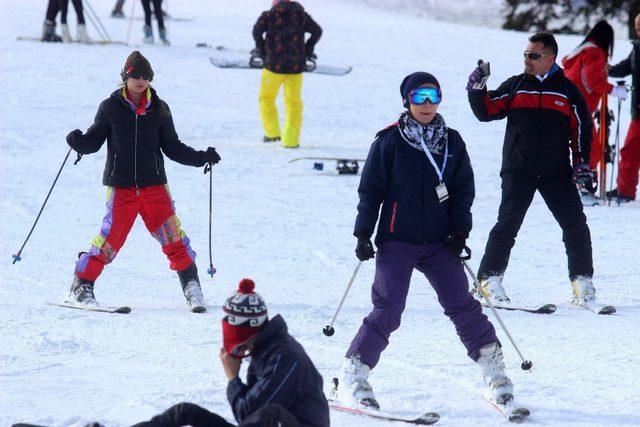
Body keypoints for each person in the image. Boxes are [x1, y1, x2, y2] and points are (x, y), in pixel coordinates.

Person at [336, 71, 514, 410]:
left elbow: (463, 191)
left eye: (433, 95)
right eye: (419, 97)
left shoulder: (453, 141)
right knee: (389, 307)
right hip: (397, 239)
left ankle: (495, 373)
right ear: (407, 101)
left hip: (439, 242)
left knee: (462, 304)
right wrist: (363, 232)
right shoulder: (388, 141)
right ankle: (354, 374)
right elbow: (370, 191)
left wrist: (460, 229)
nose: (427, 104)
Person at [65, 51, 221, 312]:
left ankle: (192, 284)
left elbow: (172, 146)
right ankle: (81, 285)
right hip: (122, 187)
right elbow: (94, 139)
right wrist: (79, 143)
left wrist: (200, 157)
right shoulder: (110, 107)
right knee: (109, 239)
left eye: (146, 76)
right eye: (135, 75)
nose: (140, 80)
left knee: (173, 238)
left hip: (154, 186)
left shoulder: (159, 109)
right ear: (125, 76)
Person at [467, 32, 599, 307]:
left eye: (533, 56)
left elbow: (582, 129)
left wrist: (582, 163)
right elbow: (487, 110)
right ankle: (488, 280)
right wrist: (477, 88)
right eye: (525, 54)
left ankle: (582, 282)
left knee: (575, 224)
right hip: (519, 167)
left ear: (549, 58)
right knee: (508, 225)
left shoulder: (566, 90)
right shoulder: (516, 86)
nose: (527, 60)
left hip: (556, 171)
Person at [132, 279, 330, 427]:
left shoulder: (285, 357)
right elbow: (249, 412)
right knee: (185, 412)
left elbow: (248, 414)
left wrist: (233, 378)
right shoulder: (263, 349)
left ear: (250, 332)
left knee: (271, 413)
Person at [562, 20, 628, 205]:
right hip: (580, 109)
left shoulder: (581, 50)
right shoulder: (596, 52)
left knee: (578, 148)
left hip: (566, 105)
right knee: (592, 149)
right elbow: (592, 81)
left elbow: (570, 68)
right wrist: (614, 90)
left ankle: (577, 189)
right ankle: (584, 191)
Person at [252, 0, 322, 148]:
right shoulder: (301, 15)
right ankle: (291, 141)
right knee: (293, 103)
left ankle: (272, 134)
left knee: (266, 98)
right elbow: (317, 31)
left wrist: (262, 50)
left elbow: (256, 31)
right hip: (296, 67)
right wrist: (307, 50)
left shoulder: (269, 15)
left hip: (273, 66)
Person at [606, 13, 640, 203]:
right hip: (638, 112)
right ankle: (625, 190)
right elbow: (628, 66)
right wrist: (609, 70)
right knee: (630, 151)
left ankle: (626, 190)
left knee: (630, 151)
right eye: (637, 28)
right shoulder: (637, 49)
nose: (638, 32)